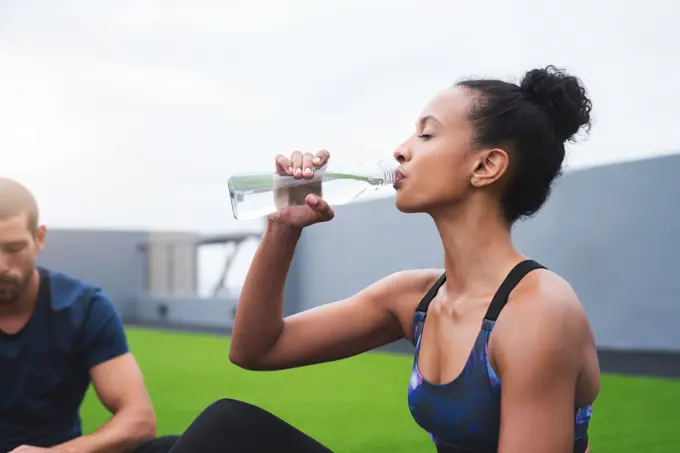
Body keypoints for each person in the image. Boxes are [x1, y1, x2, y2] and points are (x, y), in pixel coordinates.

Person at [166, 65, 601, 453]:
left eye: (426, 135)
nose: (400, 150)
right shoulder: (416, 299)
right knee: (203, 436)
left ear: (486, 166)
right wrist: (283, 227)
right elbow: (256, 349)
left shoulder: (537, 314)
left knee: (223, 432)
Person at [0, 177, 179, 453]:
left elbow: (139, 419)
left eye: (13, 249)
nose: (2, 266)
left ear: (39, 238)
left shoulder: (83, 307)